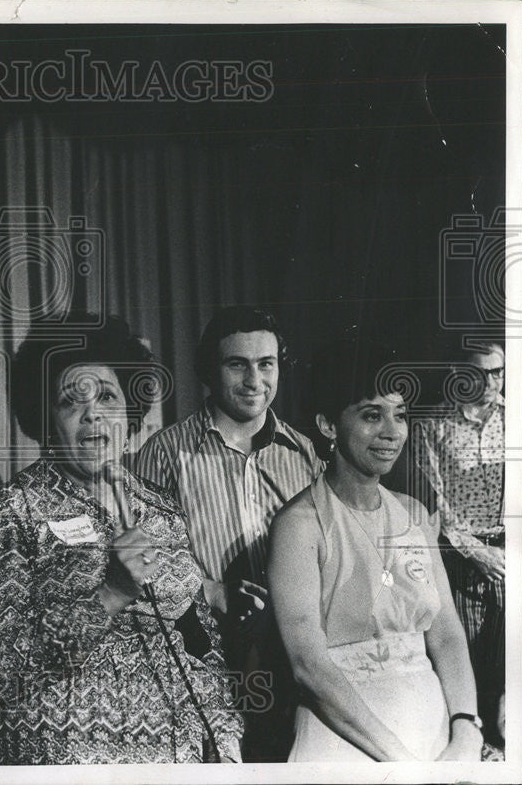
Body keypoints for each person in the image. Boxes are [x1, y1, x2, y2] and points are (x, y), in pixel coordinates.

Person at [0, 313, 242, 764]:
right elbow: (3, 673)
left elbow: (202, 643)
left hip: (177, 755)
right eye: (70, 402)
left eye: (108, 396)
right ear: (45, 419)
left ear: (130, 410)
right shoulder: (14, 511)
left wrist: (225, 736)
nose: (93, 412)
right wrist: (109, 594)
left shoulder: (161, 508)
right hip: (69, 756)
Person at [268, 338, 481, 761]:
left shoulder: (414, 514)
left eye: (399, 416)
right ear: (328, 426)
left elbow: (447, 634)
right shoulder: (298, 526)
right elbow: (308, 665)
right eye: (371, 415)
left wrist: (466, 729)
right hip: (347, 732)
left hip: (433, 721)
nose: (391, 432)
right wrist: (400, 763)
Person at [133, 305, 322, 760]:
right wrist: (212, 590)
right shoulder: (165, 453)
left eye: (266, 364)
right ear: (208, 371)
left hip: (294, 657)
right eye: (236, 363)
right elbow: (141, 566)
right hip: (205, 661)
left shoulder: (305, 453)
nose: (254, 380)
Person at [411, 341, 505, 750]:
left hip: (513, 552)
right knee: (470, 662)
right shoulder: (432, 427)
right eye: (479, 373)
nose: (490, 383)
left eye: (498, 372)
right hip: (464, 560)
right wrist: (477, 553)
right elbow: (437, 503)